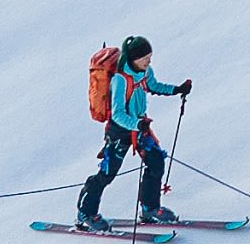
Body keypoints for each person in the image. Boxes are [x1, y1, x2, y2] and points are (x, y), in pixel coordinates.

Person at [78, 35, 192, 231]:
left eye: (150, 57)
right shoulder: (120, 80)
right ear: (133, 59)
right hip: (120, 132)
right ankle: (86, 213)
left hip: (140, 127)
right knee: (107, 174)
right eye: (145, 58)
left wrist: (177, 89)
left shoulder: (146, 71)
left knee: (156, 162)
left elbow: (153, 86)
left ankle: (150, 208)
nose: (149, 61)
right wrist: (137, 124)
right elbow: (118, 113)